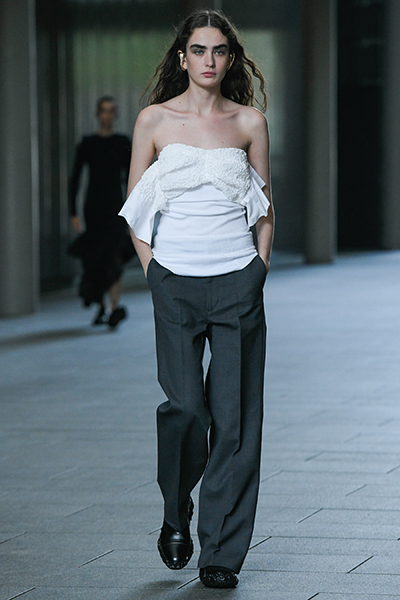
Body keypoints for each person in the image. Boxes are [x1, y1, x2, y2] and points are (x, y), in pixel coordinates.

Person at [119, 9, 274, 588]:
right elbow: (136, 209)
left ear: (230, 60)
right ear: (182, 58)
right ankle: (175, 506)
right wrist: (153, 271)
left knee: (235, 423)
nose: (209, 60)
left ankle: (220, 554)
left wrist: (258, 269)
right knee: (186, 407)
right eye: (199, 50)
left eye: (219, 51)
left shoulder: (249, 122)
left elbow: (265, 208)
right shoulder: (154, 120)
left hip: (237, 282)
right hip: (175, 284)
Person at [68, 96, 135, 327]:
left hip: (116, 208)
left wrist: (134, 208)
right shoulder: (88, 144)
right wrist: (73, 213)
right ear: (98, 114)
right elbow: (75, 179)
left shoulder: (122, 142)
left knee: (114, 257)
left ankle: (114, 308)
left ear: (115, 115)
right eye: (104, 110)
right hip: (94, 209)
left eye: (111, 111)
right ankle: (101, 307)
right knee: (95, 258)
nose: (107, 115)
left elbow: (132, 177)